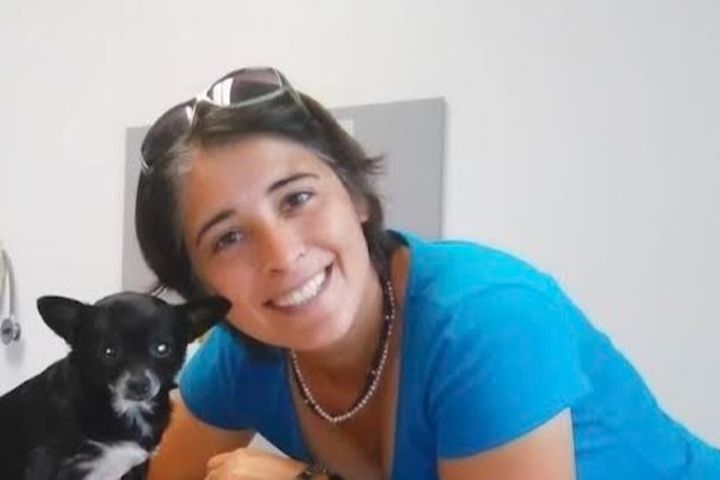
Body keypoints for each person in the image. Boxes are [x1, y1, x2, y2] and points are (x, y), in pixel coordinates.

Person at [134, 67, 720, 480]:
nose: (282, 255)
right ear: (202, 287)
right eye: (228, 238)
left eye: (297, 198)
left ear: (356, 195)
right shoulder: (246, 355)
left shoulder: (486, 319)